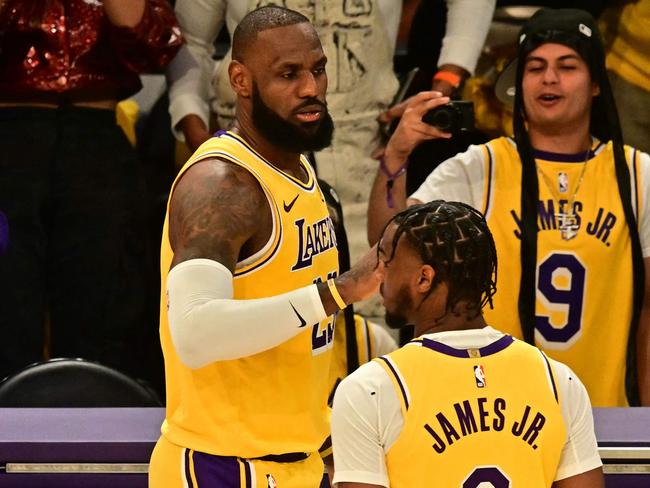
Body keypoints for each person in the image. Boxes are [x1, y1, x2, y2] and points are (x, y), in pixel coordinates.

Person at [367, 7, 650, 407]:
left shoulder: (639, 175)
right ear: (519, 84)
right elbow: (387, 244)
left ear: (596, 85)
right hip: (502, 419)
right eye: (534, 67)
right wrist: (396, 156)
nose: (549, 78)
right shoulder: (479, 167)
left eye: (567, 66)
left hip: (605, 414)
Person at [148, 7, 380, 487]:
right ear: (241, 79)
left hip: (298, 462)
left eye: (317, 68)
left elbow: (302, 338)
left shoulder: (299, 172)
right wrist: (336, 293)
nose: (311, 88)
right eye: (288, 74)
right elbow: (194, 334)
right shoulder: (221, 184)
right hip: (220, 468)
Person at [166, 0, 495, 287]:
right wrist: (197, 131)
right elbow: (190, 41)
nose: (310, 87)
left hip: (363, 147)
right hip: (256, 152)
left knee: (374, 300)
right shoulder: (216, 177)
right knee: (258, 290)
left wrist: (446, 81)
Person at [332, 200, 604, 487]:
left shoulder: (371, 388)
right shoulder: (558, 380)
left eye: (386, 261)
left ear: (424, 278)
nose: (378, 274)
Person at [0, 0, 182, 382]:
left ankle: (97, 429)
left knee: (103, 305)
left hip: (96, 138)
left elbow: (156, 44)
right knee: (8, 300)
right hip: (9, 134)